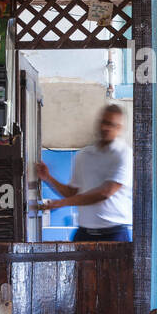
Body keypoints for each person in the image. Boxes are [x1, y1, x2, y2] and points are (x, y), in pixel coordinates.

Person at [37, 103, 133, 242]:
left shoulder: (124, 155)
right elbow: (72, 192)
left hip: (114, 234)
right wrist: (48, 178)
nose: (105, 128)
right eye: (103, 122)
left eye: (111, 124)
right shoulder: (84, 155)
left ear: (119, 128)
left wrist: (63, 203)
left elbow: (105, 192)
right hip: (84, 234)